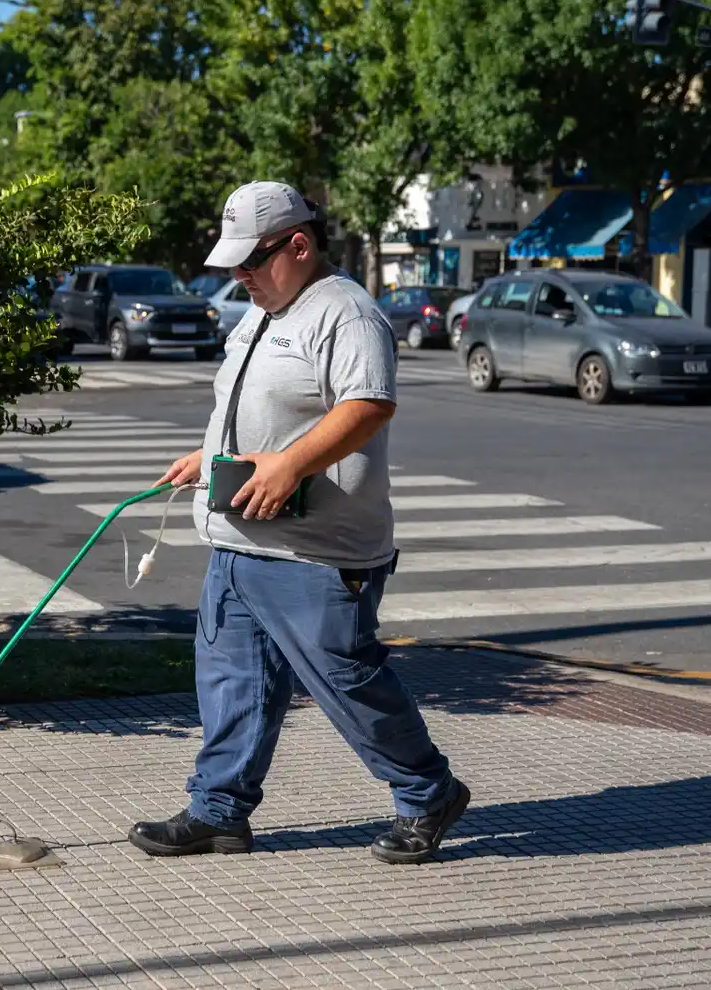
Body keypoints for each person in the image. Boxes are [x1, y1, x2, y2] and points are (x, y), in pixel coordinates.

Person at [127, 181, 470, 865]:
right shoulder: (260, 312)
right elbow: (254, 403)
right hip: (239, 539)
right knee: (230, 682)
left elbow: (368, 405)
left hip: (317, 550)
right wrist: (210, 455)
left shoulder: (347, 313)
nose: (239, 276)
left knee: (348, 680)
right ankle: (219, 809)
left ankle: (428, 791)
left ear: (298, 245)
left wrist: (288, 465)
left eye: (250, 262)